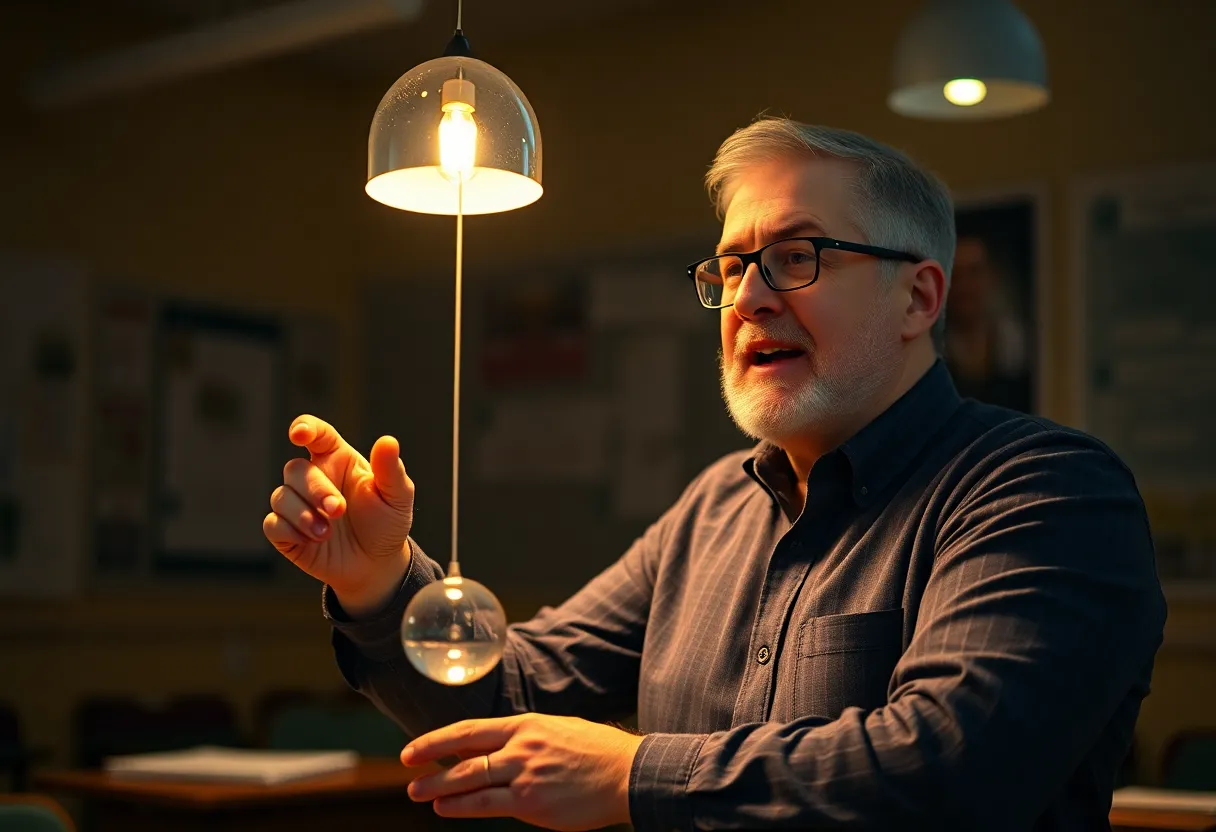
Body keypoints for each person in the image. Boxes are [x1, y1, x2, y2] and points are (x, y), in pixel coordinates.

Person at [263, 118, 1165, 831]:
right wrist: (379, 578)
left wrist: (634, 775)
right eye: (732, 266)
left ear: (919, 298)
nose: (750, 297)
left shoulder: (1045, 491)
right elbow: (518, 695)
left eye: (798, 257)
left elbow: (953, 771)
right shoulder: (714, 507)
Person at [945, 233, 1034, 412]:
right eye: (956, 275)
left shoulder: (1020, 346)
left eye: (974, 272)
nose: (965, 286)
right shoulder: (929, 353)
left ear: (991, 277)